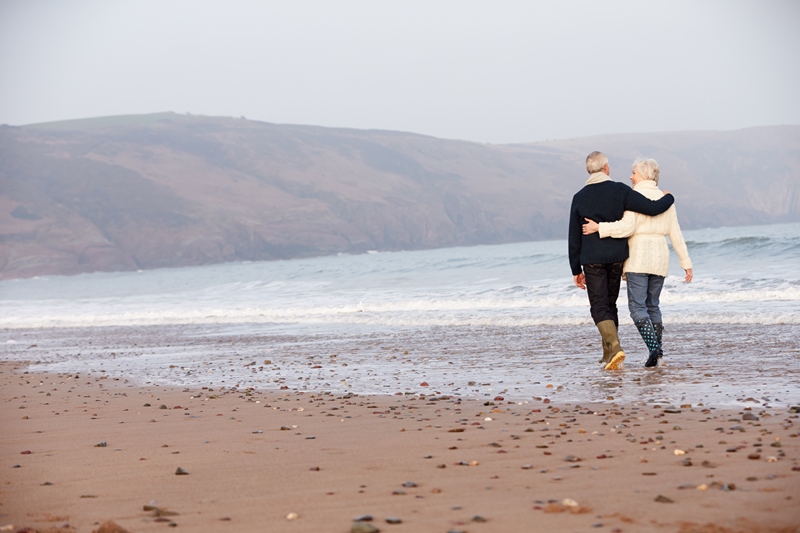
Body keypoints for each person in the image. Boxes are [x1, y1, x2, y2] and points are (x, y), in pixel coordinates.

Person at [568, 151, 675, 370]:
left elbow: (574, 236)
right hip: (616, 258)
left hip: (593, 260)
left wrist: (575, 268)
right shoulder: (620, 190)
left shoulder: (579, 197)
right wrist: (669, 197)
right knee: (609, 303)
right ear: (606, 168)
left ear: (589, 170)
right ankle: (608, 353)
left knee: (599, 305)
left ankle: (615, 347)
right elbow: (653, 209)